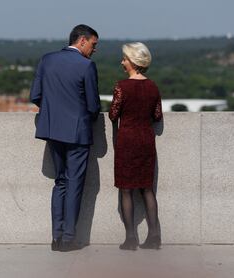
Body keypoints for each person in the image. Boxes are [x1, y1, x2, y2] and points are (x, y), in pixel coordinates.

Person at [30, 24, 101, 252]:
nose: (94, 49)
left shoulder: (46, 59)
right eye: (93, 44)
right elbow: (93, 106)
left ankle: (56, 237)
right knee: (74, 184)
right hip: (77, 133)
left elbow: (35, 96)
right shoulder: (87, 66)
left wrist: (55, 113)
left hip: (52, 131)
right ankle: (69, 238)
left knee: (59, 182)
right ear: (82, 41)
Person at [109, 42, 163, 250]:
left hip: (127, 141)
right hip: (146, 141)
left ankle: (131, 237)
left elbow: (113, 115)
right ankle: (154, 236)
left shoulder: (121, 87)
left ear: (132, 61)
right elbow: (157, 116)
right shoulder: (153, 87)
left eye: (124, 59)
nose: (122, 62)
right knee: (147, 189)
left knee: (126, 190)